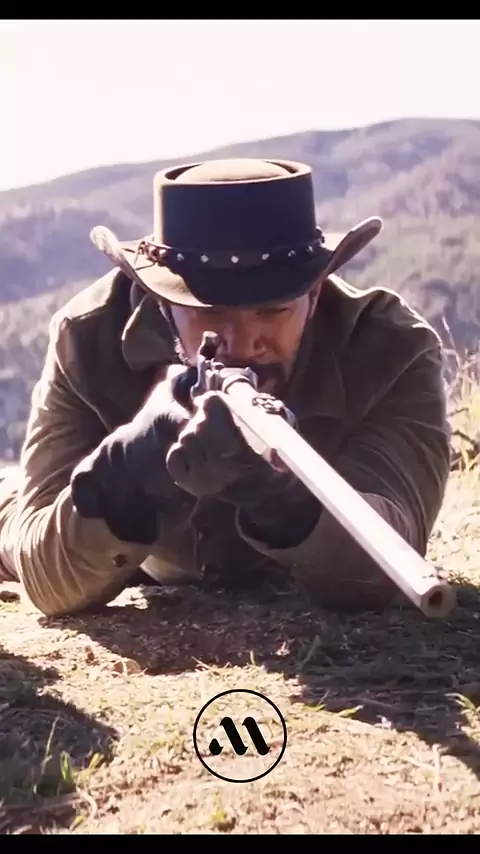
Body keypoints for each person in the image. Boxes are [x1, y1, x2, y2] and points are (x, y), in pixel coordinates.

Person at [0, 158, 451, 617]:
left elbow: (391, 559)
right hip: (128, 567)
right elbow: (45, 577)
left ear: (314, 295)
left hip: (289, 572)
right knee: (10, 526)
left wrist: (285, 501)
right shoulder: (86, 337)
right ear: (163, 303)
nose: (243, 345)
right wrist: (125, 468)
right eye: (210, 312)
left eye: (274, 311)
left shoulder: (393, 350)